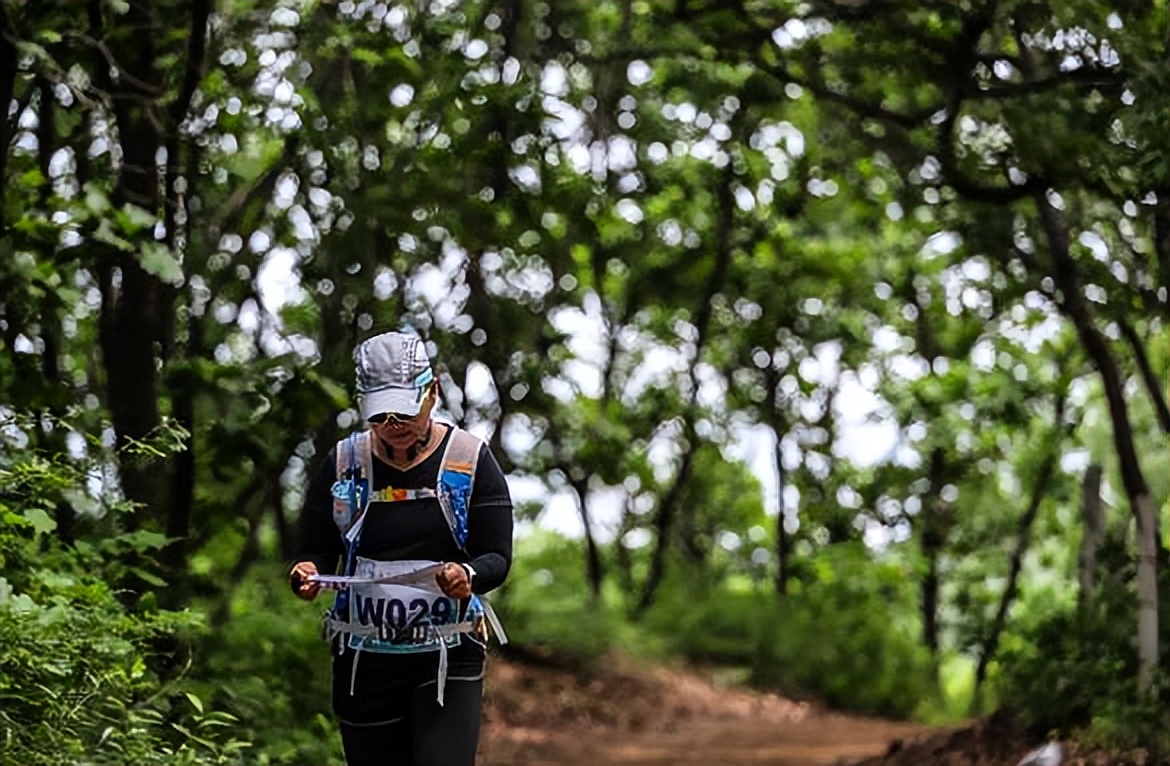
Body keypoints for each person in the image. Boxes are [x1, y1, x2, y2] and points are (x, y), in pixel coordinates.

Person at [289, 330, 513, 766]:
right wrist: (306, 573)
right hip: (363, 662)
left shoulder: (469, 461)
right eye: (379, 417)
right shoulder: (342, 464)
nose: (393, 427)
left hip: (447, 656)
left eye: (403, 413)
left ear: (431, 393)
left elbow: (497, 556)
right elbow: (313, 549)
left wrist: (468, 575)